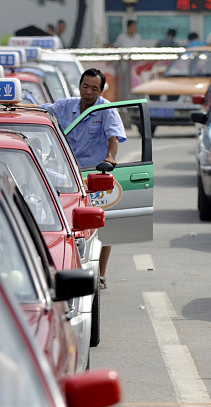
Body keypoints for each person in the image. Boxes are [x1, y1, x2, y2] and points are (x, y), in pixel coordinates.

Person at [41, 68, 125, 289]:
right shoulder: (65, 106)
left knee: (101, 223)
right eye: (85, 86)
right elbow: (40, 112)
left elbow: (114, 137)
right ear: (79, 86)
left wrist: (110, 157)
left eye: (94, 88)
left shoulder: (107, 110)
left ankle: (101, 274)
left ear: (101, 90)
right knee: (65, 220)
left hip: (94, 175)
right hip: (65, 174)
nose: (88, 92)